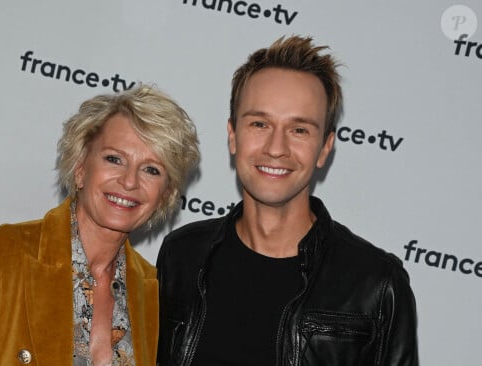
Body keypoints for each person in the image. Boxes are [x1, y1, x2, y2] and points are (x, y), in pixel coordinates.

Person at [156, 36, 419, 365]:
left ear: (325, 147)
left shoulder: (377, 285)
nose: (276, 147)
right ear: (232, 135)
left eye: (299, 130)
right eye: (259, 123)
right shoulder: (182, 255)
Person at [0, 84, 200, 366]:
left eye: (151, 170)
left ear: (164, 194)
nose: (130, 181)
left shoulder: (152, 289)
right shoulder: (1, 254)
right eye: (114, 159)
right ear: (80, 169)